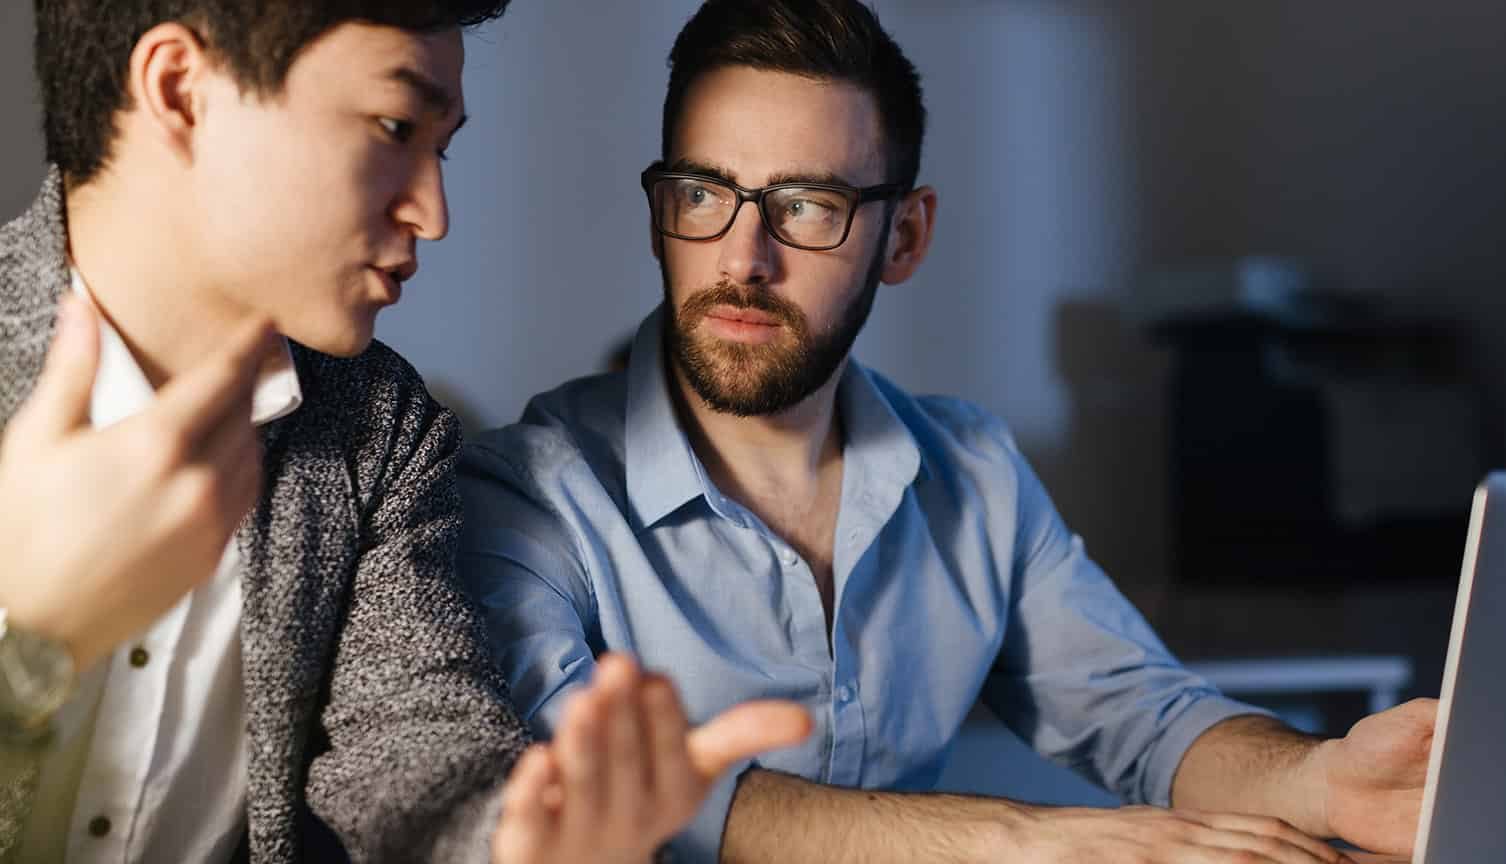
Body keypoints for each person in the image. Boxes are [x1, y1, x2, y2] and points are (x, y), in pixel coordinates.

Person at [457, 1, 1435, 862]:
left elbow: (1144, 715)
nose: (743, 258)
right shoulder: (521, 493)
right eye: (705, 195)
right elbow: (567, 790)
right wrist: (1025, 841)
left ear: (907, 238)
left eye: (808, 206)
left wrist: (1319, 781)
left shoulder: (974, 474)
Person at [0, 3, 807, 862]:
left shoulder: (378, 425)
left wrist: (527, 845)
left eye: (442, 147)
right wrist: (34, 648)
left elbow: (421, 757)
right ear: (181, 90)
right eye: (394, 127)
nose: (432, 212)